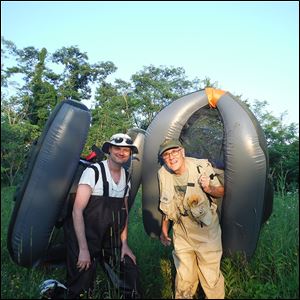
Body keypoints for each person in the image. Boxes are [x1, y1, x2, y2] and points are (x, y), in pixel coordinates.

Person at [63, 133, 140, 299]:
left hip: (110, 237)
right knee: (81, 282)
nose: (122, 152)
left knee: (128, 266)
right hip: (84, 235)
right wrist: (83, 250)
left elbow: (124, 211)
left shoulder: (127, 176)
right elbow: (77, 211)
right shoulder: (94, 172)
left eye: (126, 150)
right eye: (117, 148)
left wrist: (124, 244)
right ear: (109, 150)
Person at [158, 138, 225, 299]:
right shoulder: (163, 173)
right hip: (181, 230)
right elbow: (166, 204)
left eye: (174, 152)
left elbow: (221, 191)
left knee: (210, 278)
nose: (171, 157)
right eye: (166, 155)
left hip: (206, 230)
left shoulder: (201, 166)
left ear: (182, 152)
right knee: (184, 277)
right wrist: (164, 230)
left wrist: (208, 187)